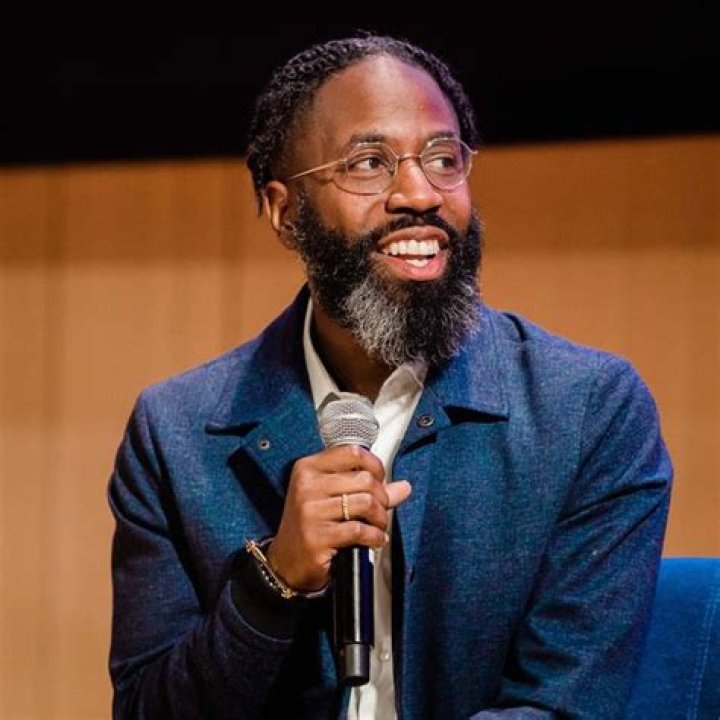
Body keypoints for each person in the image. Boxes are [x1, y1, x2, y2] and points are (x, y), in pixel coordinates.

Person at [108, 34, 673, 719]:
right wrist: (272, 584)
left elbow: (564, 707)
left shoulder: (588, 411)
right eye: (369, 163)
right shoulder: (175, 435)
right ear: (285, 211)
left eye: (443, 159)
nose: (420, 194)